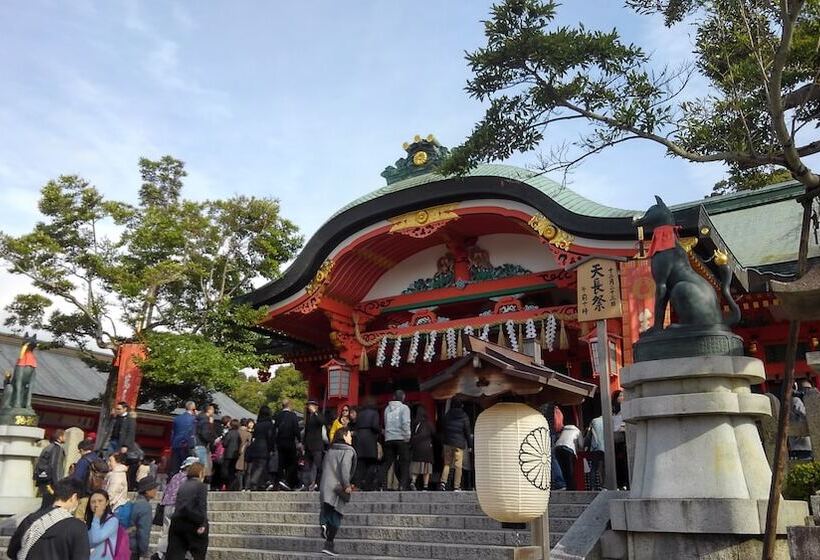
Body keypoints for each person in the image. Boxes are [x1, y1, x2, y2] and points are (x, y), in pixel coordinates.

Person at [7, 477, 90, 560]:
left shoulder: (30, 520)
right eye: (78, 501)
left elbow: (11, 552)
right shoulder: (78, 527)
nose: (78, 504)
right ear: (74, 497)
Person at [319, 427, 356, 556]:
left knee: (326, 510)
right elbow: (345, 468)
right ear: (344, 436)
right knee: (336, 516)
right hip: (338, 487)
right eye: (350, 436)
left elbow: (324, 466)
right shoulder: (348, 451)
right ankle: (329, 545)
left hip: (326, 484)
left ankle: (323, 524)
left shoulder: (330, 450)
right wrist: (347, 485)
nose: (351, 438)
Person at [152, 456, 199, 560]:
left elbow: (167, 490)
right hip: (180, 507)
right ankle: (185, 555)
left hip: (167, 505)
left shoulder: (176, 476)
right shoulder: (190, 479)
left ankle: (161, 554)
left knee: (165, 532)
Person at [167, 462, 209, 560]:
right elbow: (202, 505)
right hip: (193, 521)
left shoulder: (183, 485)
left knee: (176, 554)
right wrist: (203, 524)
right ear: (200, 473)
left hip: (177, 520)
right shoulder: (201, 486)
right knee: (198, 553)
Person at [438, 399, 472, 491]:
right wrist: (470, 445)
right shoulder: (464, 416)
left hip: (447, 443)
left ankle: (443, 482)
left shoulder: (447, 415)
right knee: (458, 465)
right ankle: (457, 486)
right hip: (459, 444)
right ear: (461, 406)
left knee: (447, 464)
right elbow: (467, 432)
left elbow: (442, 429)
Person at [382, 390, 412, 491]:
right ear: (403, 398)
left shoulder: (387, 409)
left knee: (387, 462)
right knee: (404, 462)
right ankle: (402, 485)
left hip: (389, 438)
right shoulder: (404, 408)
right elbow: (405, 423)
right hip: (400, 438)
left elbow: (386, 423)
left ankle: (380, 483)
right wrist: (407, 437)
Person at [352, 397, 380, 491]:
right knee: (372, 462)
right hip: (370, 438)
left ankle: (358, 484)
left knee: (360, 464)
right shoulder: (374, 413)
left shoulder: (360, 413)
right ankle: (368, 483)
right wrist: (379, 431)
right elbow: (375, 426)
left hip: (359, 438)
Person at [244, 406, 275, 490]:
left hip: (255, 447)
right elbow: (270, 437)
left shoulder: (257, 424)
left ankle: (257, 485)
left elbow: (254, 436)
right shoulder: (269, 424)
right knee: (262, 466)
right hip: (264, 448)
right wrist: (271, 449)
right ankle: (255, 481)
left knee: (256, 466)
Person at [35, 429, 67, 509]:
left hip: (44, 479)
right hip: (51, 482)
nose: (65, 437)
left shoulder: (49, 447)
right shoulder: (57, 449)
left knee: (45, 504)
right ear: (59, 437)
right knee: (49, 506)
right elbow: (56, 466)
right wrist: (58, 483)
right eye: (64, 436)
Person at [273, 398, 301, 490]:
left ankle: (279, 482)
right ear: (290, 405)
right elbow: (296, 429)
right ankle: (289, 482)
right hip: (290, 442)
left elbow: (275, 429)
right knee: (292, 463)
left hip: (280, 442)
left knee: (281, 463)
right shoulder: (293, 416)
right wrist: (299, 441)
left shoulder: (278, 415)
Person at [129, 476, 159, 560]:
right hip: (135, 547)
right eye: (154, 488)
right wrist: (144, 550)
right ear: (147, 490)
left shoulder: (134, 503)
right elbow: (143, 531)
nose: (156, 491)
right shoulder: (145, 506)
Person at [85, 490, 119, 560]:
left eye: (100, 501)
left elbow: (96, 538)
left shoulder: (112, 520)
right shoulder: (91, 521)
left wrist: (96, 517)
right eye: (93, 502)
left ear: (107, 503)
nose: (96, 504)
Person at [303, 399, 327, 492]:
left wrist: (315, 412)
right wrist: (303, 443)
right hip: (308, 445)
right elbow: (306, 431)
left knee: (317, 465)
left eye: (310, 405)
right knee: (307, 466)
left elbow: (322, 422)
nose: (309, 407)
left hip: (317, 444)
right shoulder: (308, 417)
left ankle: (317, 483)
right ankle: (307, 484)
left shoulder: (319, 415)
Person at [71, 439, 98, 520]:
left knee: (79, 519)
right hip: (97, 495)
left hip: (85, 495)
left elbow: (77, 478)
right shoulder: (98, 459)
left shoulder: (83, 461)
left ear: (82, 450)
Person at [409, 407, 434, 491]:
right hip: (427, 449)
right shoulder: (429, 424)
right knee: (426, 469)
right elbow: (434, 434)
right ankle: (425, 486)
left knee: (416, 467)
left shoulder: (416, 424)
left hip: (417, 449)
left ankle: (413, 481)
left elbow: (411, 436)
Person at [169, 401, 197, 476]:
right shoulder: (194, 419)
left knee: (175, 468)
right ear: (193, 408)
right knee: (187, 467)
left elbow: (173, 432)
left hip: (176, 444)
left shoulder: (177, 418)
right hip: (188, 444)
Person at [554, 424, 583, 490]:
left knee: (561, 468)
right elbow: (581, 445)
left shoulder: (564, 430)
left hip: (557, 448)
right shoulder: (578, 431)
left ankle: (562, 485)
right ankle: (571, 487)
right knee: (569, 469)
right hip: (569, 449)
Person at [194, 404, 216, 479]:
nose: (214, 412)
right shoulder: (205, 421)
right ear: (209, 410)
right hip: (202, 445)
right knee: (203, 468)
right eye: (213, 410)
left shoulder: (199, 419)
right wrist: (211, 440)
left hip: (196, 444)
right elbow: (205, 434)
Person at [220, 418, 242, 490]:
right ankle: (233, 485)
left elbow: (225, 443)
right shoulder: (238, 434)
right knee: (232, 470)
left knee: (225, 470)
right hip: (235, 454)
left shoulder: (229, 433)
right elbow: (240, 443)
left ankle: (227, 484)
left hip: (228, 454)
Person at [586, 415, 605, 490]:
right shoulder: (608, 421)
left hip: (595, 447)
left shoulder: (594, 421)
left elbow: (589, 434)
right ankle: (603, 485)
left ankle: (592, 487)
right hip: (606, 448)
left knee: (594, 468)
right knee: (604, 467)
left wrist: (586, 445)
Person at [235, 418, 253, 491]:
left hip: (237, 453)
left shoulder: (237, 432)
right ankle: (246, 487)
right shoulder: (248, 434)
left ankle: (239, 486)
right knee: (246, 472)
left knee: (239, 471)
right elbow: (249, 444)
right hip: (246, 454)